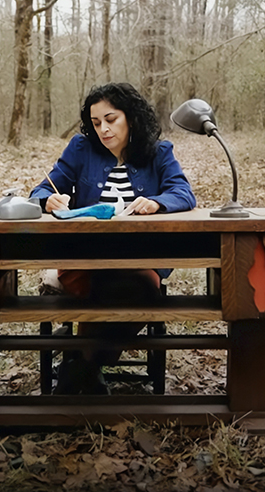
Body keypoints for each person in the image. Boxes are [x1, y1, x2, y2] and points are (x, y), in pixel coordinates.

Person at [30, 82, 196, 394]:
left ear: (130, 118)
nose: (103, 130)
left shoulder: (159, 152)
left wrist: (157, 202)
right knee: (117, 284)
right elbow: (42, 189)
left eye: (111, 119)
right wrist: (47, 200)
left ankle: (81, 363)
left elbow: (183, 192)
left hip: (140, 258)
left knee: (143, 287)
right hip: (84, 256)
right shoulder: (81, 149)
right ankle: (87, 366)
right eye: (96, 123)